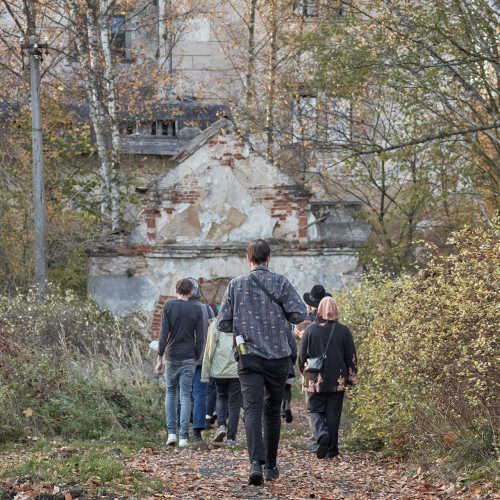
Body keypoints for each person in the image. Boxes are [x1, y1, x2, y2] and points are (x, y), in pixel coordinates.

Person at [217, 239, 307, 485]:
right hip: (278, 358)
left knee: (253, 410)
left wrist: (242, 322)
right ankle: (272, 467)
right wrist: (280, 315)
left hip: (249, 358)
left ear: (248, 259)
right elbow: (300, 313)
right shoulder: (280, 282)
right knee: (272, 413)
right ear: (269, 258)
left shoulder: (235, 285)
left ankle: (255, 463)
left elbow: (222, 323)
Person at [298, 296, 358, 460]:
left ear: (319, 310)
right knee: (333, 415)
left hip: (314, 379)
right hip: (337, 380)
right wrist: (351, 379)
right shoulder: (344, 331)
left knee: (314, 410)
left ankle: (321, 433)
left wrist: (304, 374)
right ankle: (331, 450)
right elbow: (351, 357)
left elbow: (301, 357)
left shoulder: (310, 330)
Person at [155, 279, 204, 447]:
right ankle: (184, 437)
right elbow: (201, 337)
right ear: (191, 292)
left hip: (171, 355)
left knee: (170, 392)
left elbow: (163, 334)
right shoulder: (197, 308)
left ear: (176, 290)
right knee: (185, 395)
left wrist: (159, 357)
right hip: (189, 355)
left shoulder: (168, 306)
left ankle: (171, 434)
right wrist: (196, 356)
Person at [294, 285, 332, 452]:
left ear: (310, 304)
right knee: (329, 407)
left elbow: (296, 336)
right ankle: (328, 438)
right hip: (331, 367)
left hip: (312, 369)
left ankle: (318, 435)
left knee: (313, 406)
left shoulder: (303, 323)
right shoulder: (333, 321)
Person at [201, 305, 242, 446]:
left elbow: (209, 352)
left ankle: (221, 426)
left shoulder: (215, 325)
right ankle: (231, 437)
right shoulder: (241, 324)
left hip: (219, 370)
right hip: (236, 369)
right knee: (235, 403)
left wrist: (205, 375)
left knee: (221, 396)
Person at [187, 278, 213, 442]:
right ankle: (197, 432)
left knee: (183, 394)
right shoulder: (208, 310)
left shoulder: (178, 307)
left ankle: (180, 429)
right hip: (202, 358)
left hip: (183, 357)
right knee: (200, 394)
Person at [281, 327, 297, 423]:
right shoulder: (286, 330)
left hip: (275, 364)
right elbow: (293, 348)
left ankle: (280, 409)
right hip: (288, 365)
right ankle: (286, 405)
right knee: (287, 388)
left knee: (278, 388)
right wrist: (293, 362)